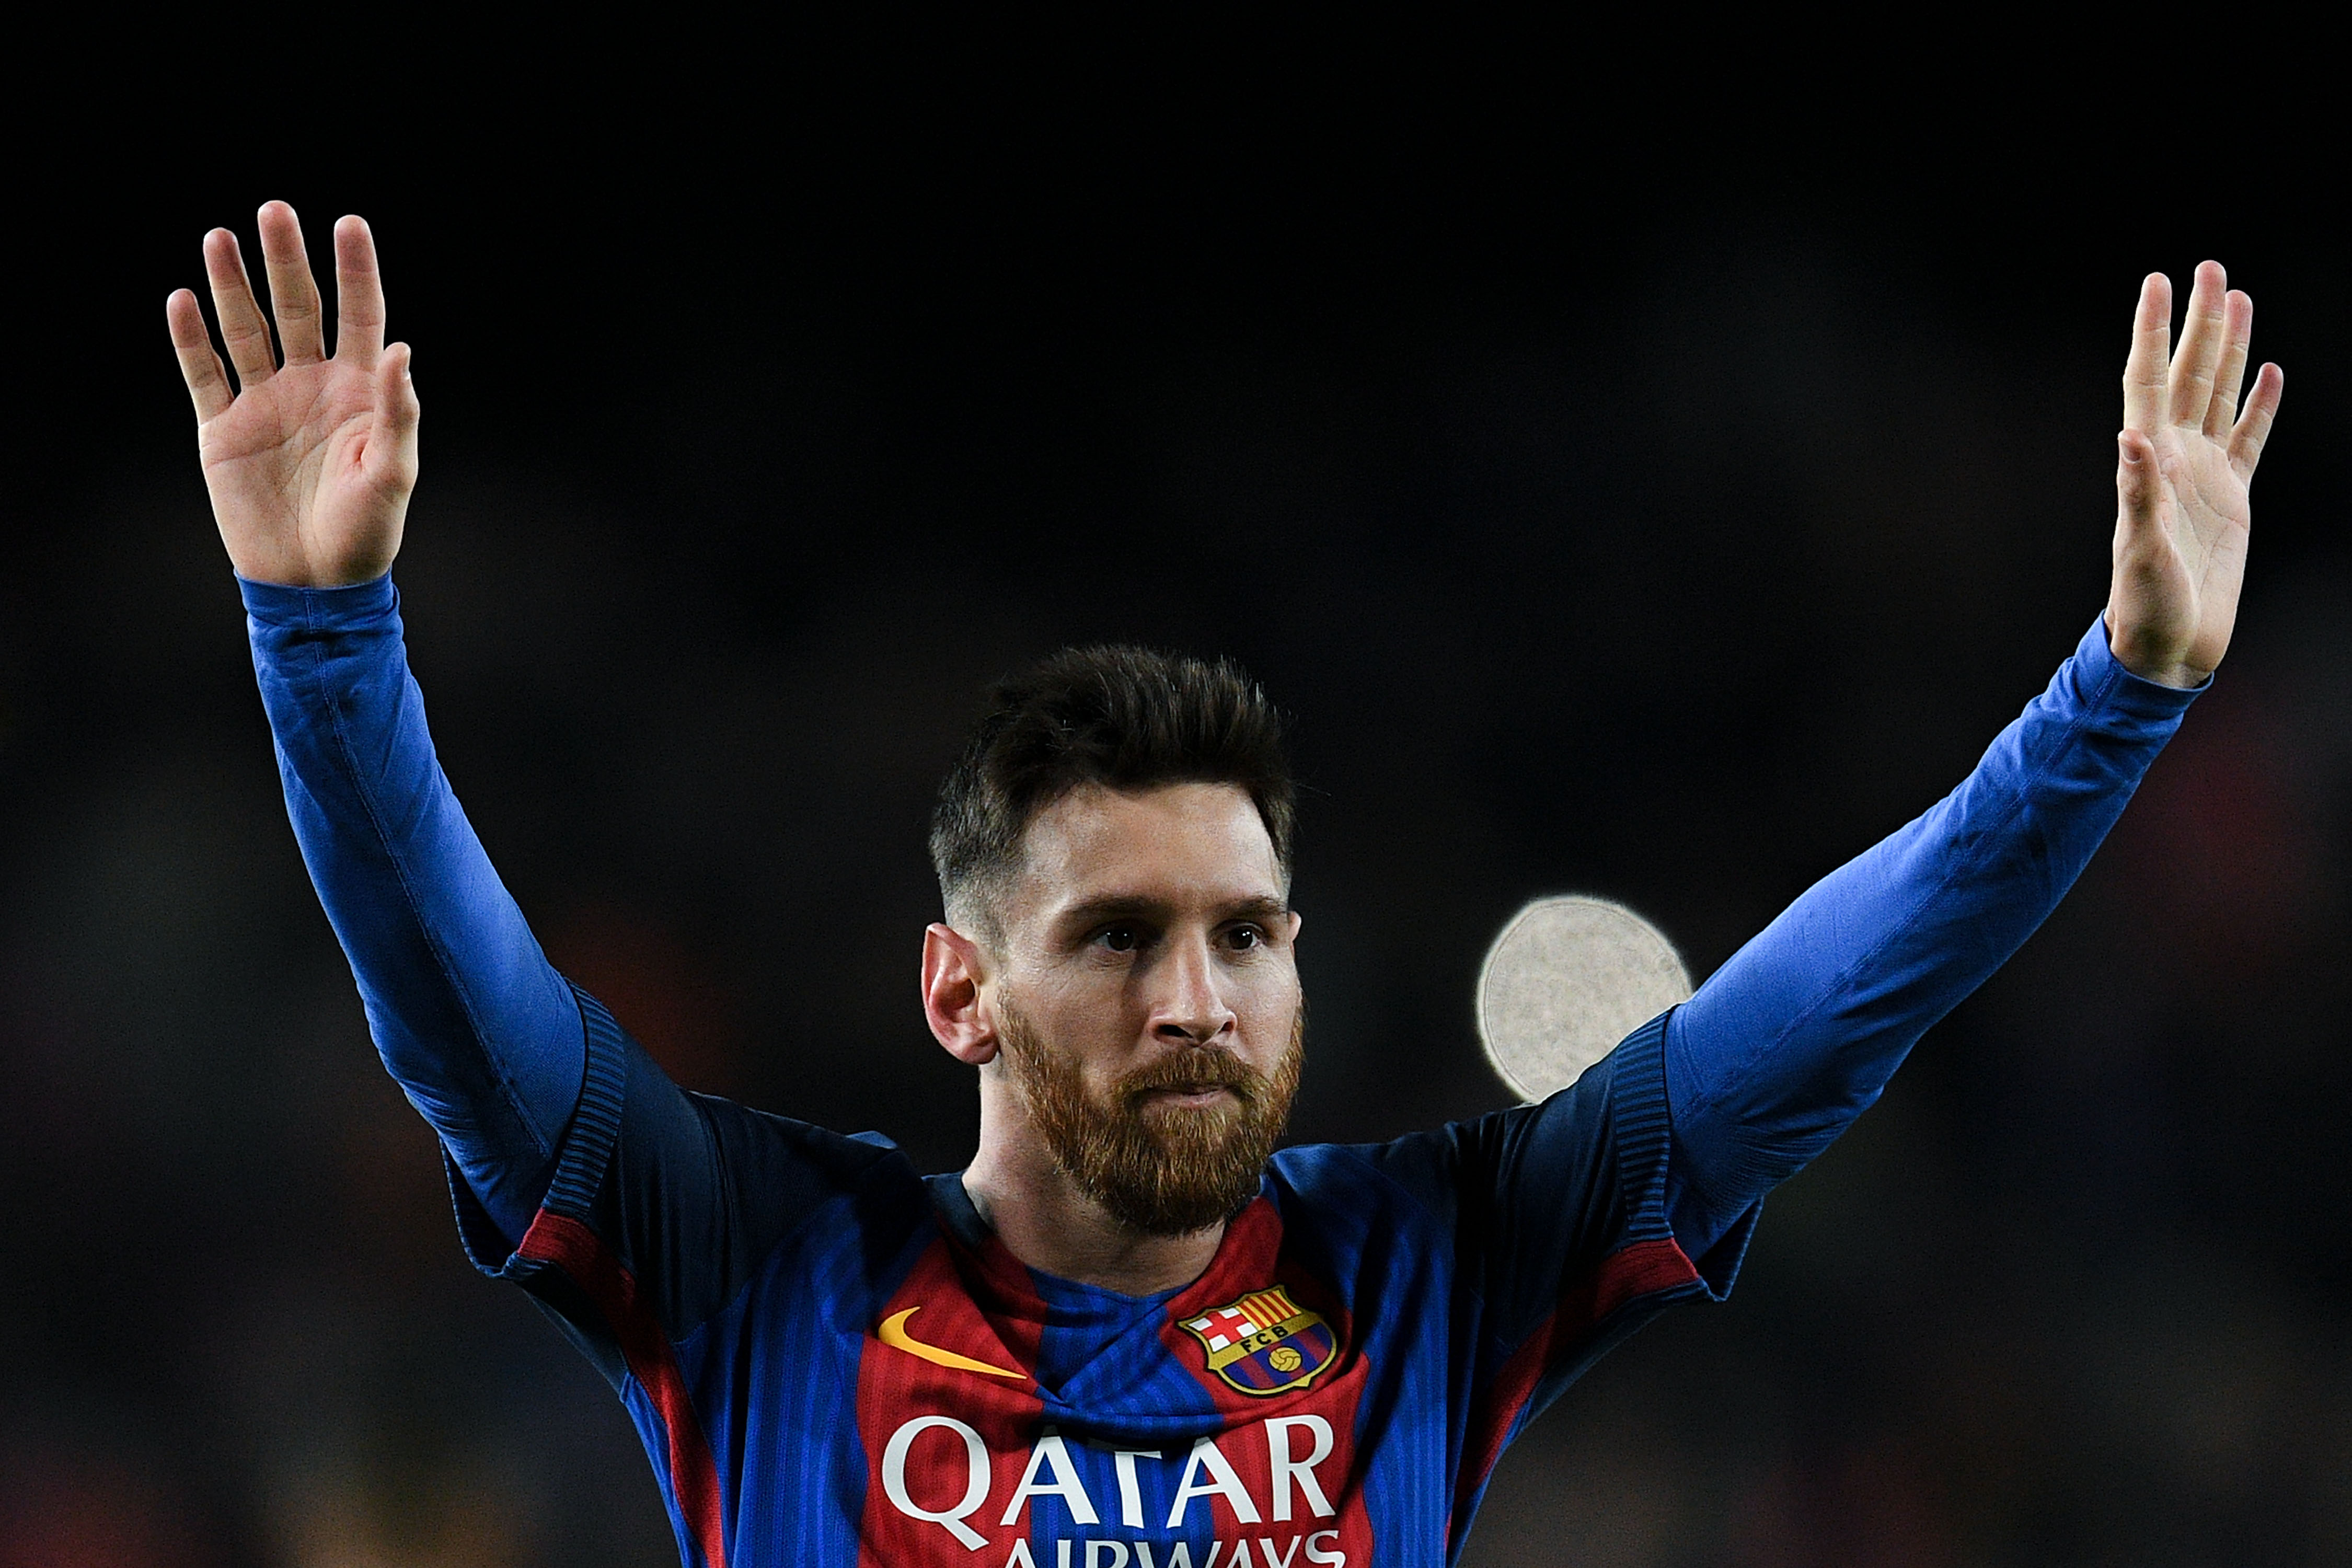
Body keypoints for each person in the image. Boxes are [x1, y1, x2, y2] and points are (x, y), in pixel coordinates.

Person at [166, 201, 2283, 1568]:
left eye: (1245, 936)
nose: (1199, 998)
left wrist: (2120, 693)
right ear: (958, 990)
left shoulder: (1428, 1267)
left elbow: (1818, 1017)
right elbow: (466, 1022)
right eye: (1117, 936)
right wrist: (320, 634)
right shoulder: (762, 1266)